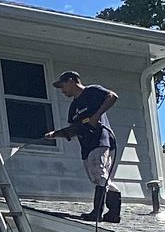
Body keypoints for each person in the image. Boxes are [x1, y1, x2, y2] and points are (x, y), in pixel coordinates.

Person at [45, 70, 121, 222]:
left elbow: (112, 96)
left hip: (100, 141)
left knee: (99, 175)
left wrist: (96, 116)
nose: (62, 90)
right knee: (98, 178)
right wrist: (55, 134)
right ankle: (113, 212)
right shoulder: (74, 108)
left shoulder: (92, 91)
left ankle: (97, 212)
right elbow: (74, 129)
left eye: (63, 86)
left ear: (72, 81)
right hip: (86, 147)